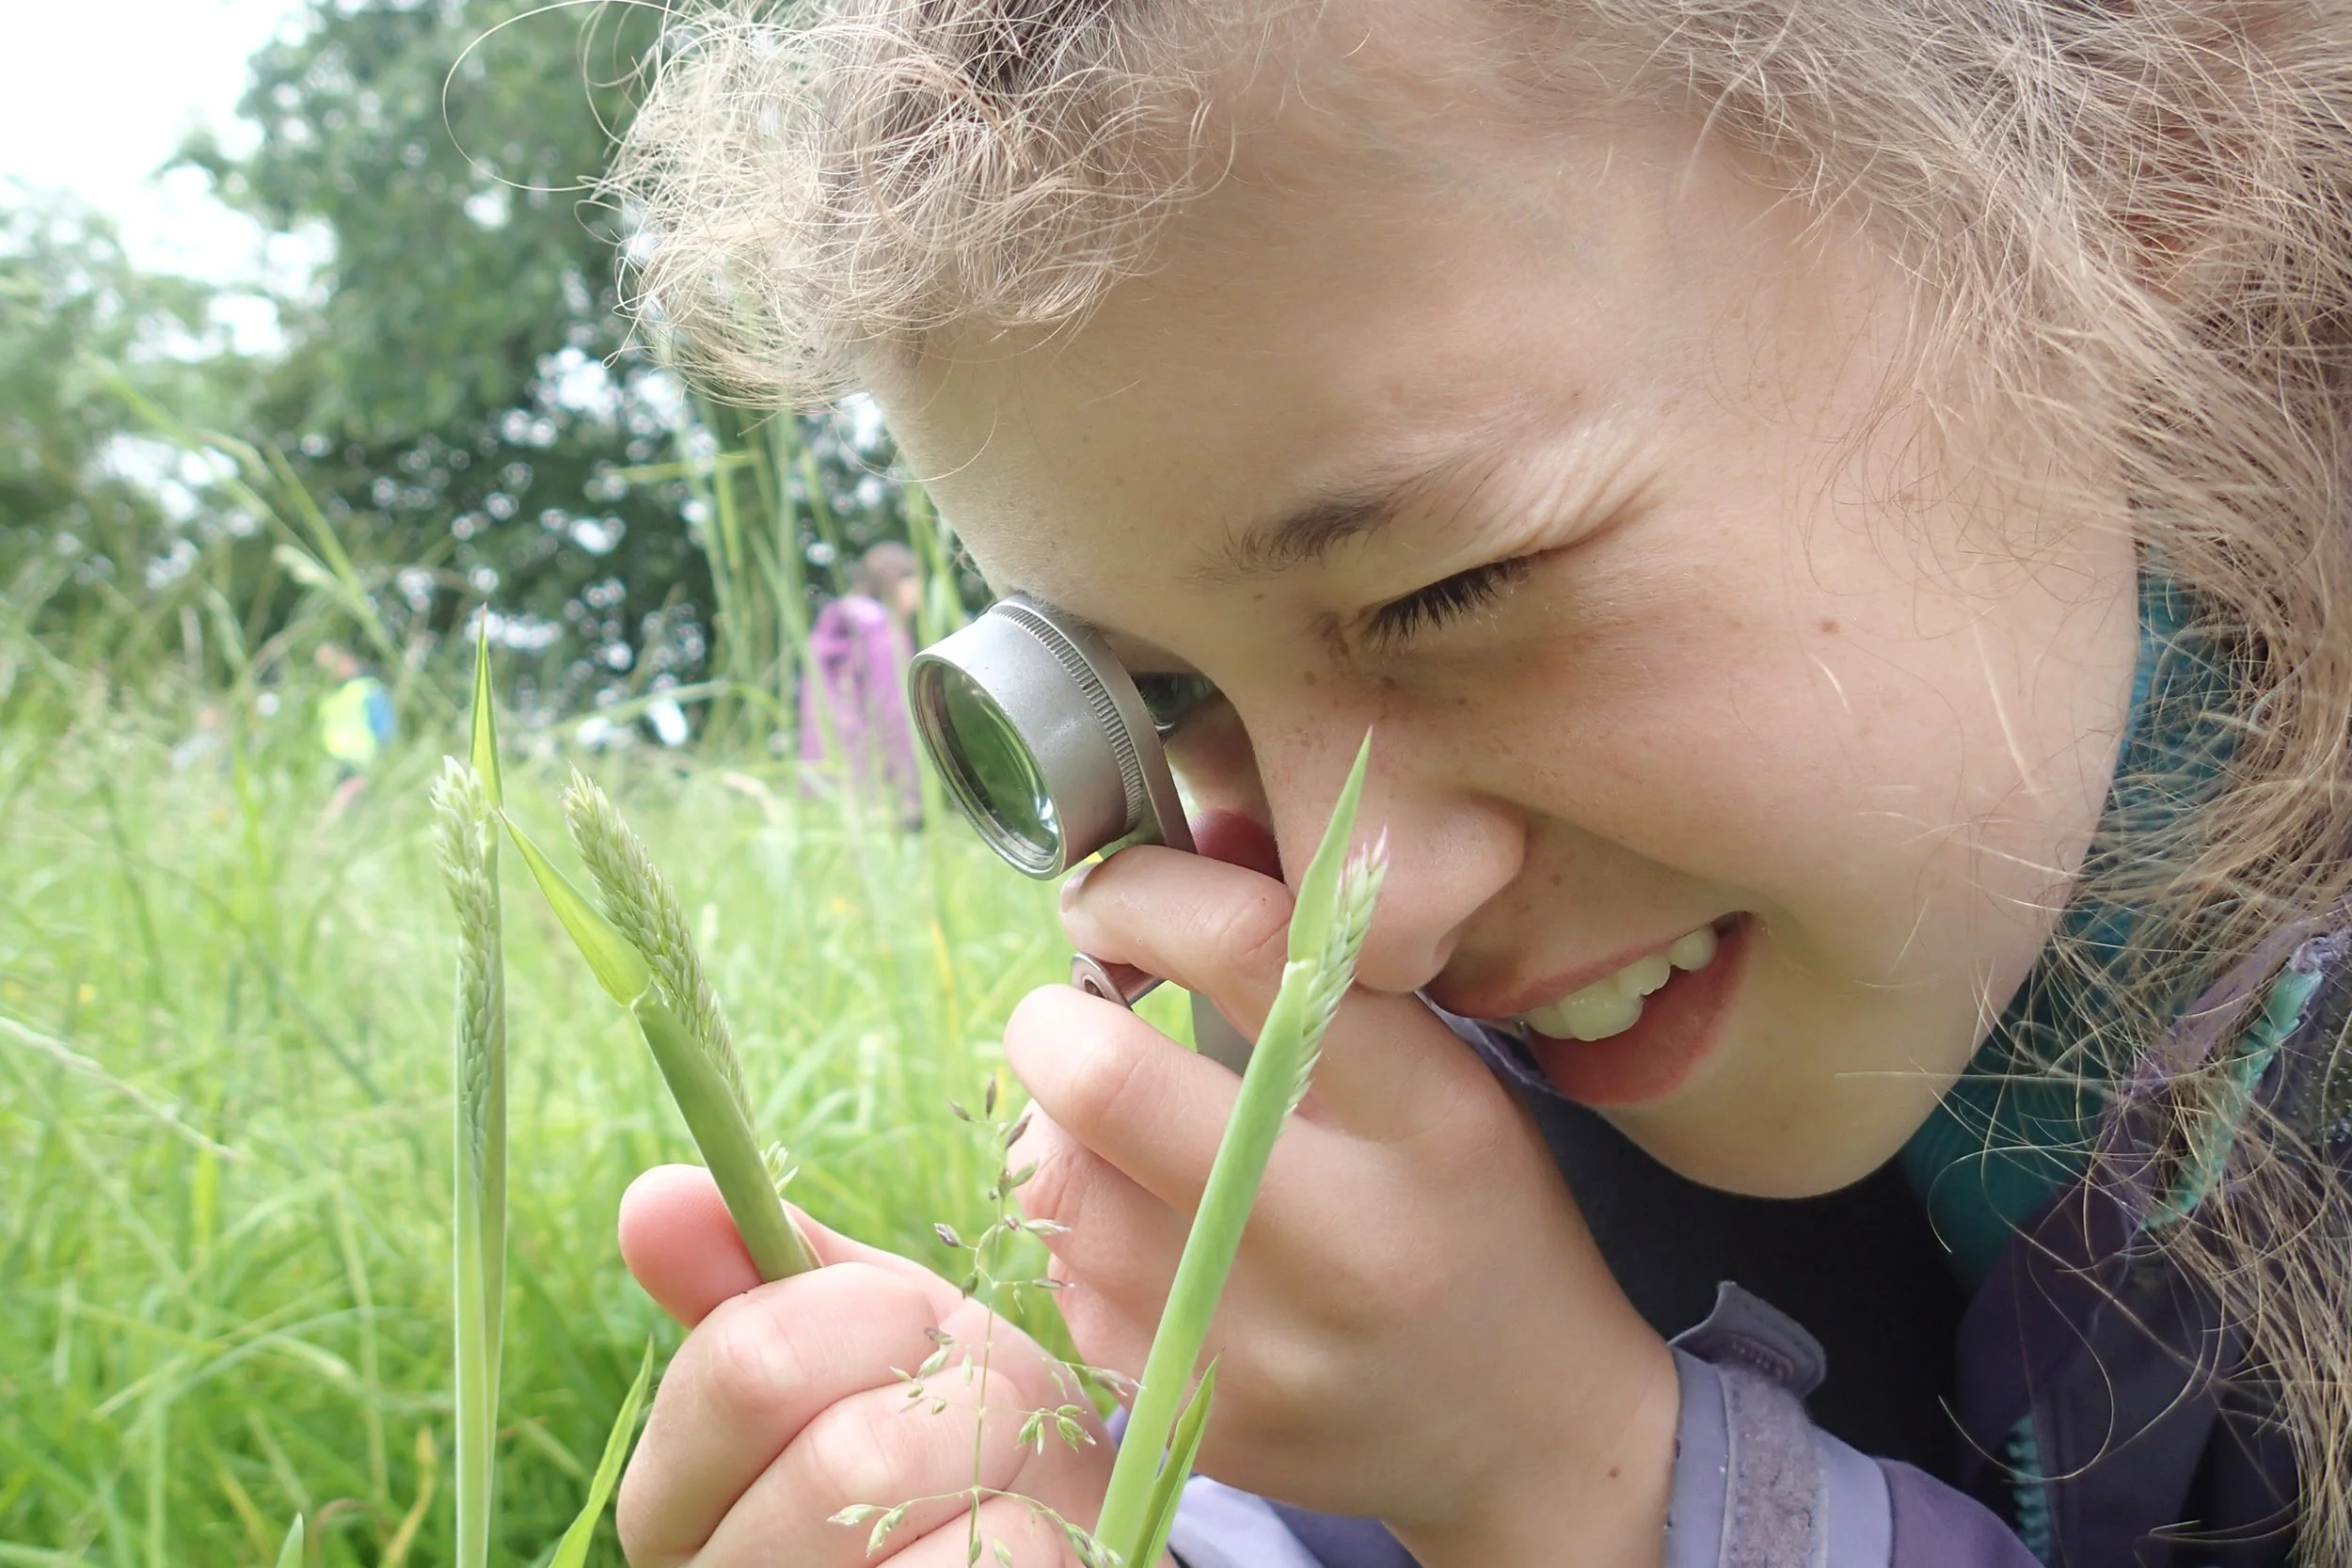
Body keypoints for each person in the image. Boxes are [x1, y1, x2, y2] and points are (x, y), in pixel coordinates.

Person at [605, 4, 2352, 1565]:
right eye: (1165, 701)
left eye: (1447, 593)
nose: (1361, 924)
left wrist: (1574, 1491)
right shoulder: (1501, 1076)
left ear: (2142, 144)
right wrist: (1138, 1523)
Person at [799, 540, 924, 827]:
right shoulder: (885, 633)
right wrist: (908, 793)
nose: (918, 597)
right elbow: (894, 711)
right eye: (915, 584)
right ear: (896, 583)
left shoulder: (830, 627)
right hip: (872, 779)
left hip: (823, 771)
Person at [314, 641, 394, 820]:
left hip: (359, 760)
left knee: (345, 806)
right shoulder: (327, 696)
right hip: (331, 761)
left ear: (346, 660)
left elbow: (385, 727)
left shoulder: (369, 689)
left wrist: (382, 755)